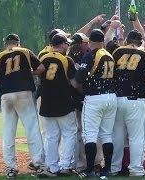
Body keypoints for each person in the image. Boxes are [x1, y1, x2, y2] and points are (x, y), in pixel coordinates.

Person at [0, 33, 46, 178]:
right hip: (24, 93)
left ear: (6, 43)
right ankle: (38, 164)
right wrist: (29, 74)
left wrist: (1, 85)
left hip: (6, 95)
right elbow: (41, 68)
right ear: (17, 43)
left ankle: (10, 168)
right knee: (32, 128)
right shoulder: (25, 51)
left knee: (8, 131)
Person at [109, 30, 145, 177]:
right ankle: (136, 169)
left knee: (116, 136)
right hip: (136, 100)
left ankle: (113, 168)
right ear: (140, 42)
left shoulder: (116, 52)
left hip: (116, 99)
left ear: (127, 40)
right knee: (137, 136)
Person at [72, 29, 117, 179]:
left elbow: (78, 80)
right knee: (107, 135)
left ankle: (90, 169)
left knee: (89, 135)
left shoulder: (90, 55)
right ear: (103, 41)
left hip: (94, 98)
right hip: (111, 97)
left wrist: (72, 81)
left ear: (90, 42)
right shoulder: (109, 55)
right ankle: (107, 169)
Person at [35, 33, 78, 177]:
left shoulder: (42, 57)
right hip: (63, 101)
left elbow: (38, 76)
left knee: (51, 136)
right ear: (62, 45)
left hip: (47, 101)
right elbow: (74, 82)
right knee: (69, 133)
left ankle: (51, 167)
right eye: (67, 43)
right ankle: (65, 165)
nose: (68, 46)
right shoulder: (67, 59)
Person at [68, 32, 104, 173]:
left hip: (85, 99)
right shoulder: (83, 56)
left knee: (85, 133)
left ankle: (86, 163)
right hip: (81, 99)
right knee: (86, 133)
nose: (83, 46)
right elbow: (77, 82)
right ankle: (85, 163)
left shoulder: (83, 56)